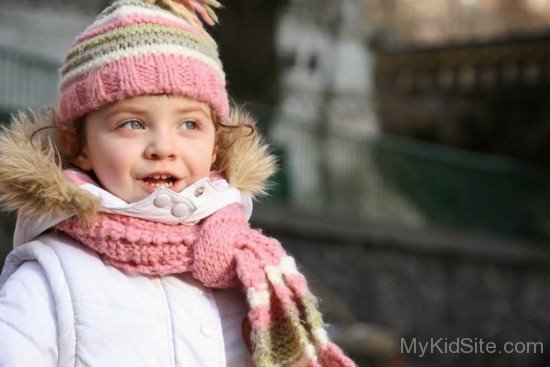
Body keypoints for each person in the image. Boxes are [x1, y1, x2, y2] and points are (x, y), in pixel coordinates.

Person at [0, 0, 356, 366]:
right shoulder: (50, 278)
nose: (163, 148)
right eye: (132, 124)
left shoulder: (245, 272)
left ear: (215, 144)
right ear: (81, 146)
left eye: (189, 125)